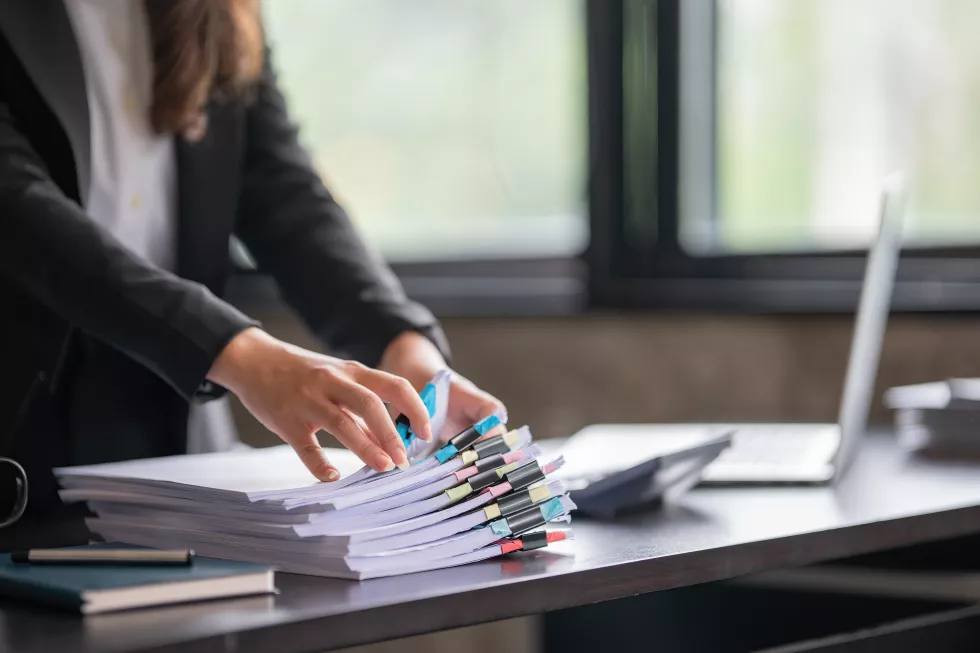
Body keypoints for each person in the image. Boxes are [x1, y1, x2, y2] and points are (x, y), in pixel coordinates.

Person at [0, 0, 504, 517]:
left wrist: (399, 342)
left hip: (177, 424)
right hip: (22, 424)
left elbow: (282, 193)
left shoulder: (220, 10)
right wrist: (243, 355)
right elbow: (18, 213)